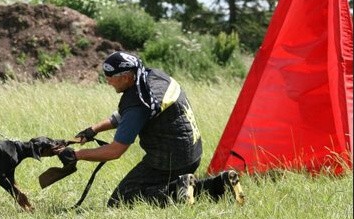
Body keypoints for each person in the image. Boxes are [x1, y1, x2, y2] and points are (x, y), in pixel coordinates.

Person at [56, 51, 244, 207]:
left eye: (111, 77)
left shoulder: (138, 103)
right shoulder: (152, 78)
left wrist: (77, 155)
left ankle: (178, 191)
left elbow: (115, 151)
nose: (107, 81)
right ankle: (221, 183)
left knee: (121, 201)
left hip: (170, 160)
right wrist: (93, 130)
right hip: (192, 153)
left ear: (127, 77)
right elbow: (125, 116)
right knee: (153, 187)